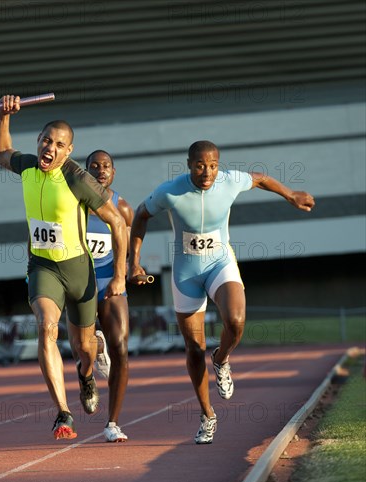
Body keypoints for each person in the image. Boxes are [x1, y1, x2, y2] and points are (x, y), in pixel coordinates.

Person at [128, 141, 315, 444]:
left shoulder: (229, 181)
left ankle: (222, 357)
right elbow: (140, 215)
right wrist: (133, 262)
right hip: (186, 273)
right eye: (200, 165)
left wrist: (290, 195)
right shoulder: (170, 191)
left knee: (237, 321)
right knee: (192, 349)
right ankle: (207, 416)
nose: (207, 171)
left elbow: (260, 178)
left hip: (219, 263)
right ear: (189, 165)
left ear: (219, 164)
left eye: (213, 165)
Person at [0, 95, 127, 440]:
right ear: (38, 142)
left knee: (84, 349)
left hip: (79, 269)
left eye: (59, 144)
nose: (50, 148)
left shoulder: (77, 178)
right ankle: (63, 412)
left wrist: (121, 275)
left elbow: (116, 222)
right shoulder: (27, 166)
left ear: (69, 151)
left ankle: (85, 374)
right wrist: (3, 117)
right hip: (43, 267)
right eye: (46, 141)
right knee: (46, 327)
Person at [77, 150, 134, 442]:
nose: (101, 170)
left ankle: (113, 423)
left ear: (113, 172)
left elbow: (129, 245)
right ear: (85, 172)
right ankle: (87, 371)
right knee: (82, 348)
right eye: (94, 166)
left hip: (110, 280)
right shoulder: (74, 203)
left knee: (121, 348)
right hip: (79, 282)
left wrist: (125, 272)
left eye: (106, 166)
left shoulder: (121, 207)